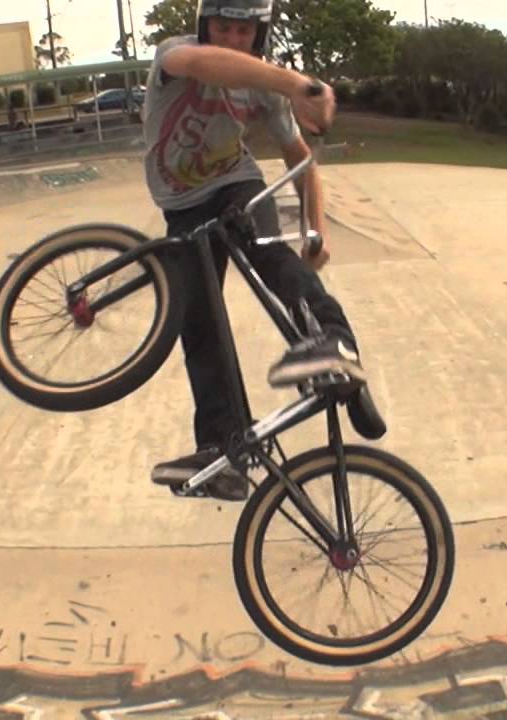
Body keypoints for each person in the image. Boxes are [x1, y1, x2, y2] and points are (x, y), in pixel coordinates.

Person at [142, 0, 365, 501]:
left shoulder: (264, 92)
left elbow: (301, 161)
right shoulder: (175, 55)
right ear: (205, 26)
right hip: (182, 208)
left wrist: (316, 228)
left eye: (244, 32)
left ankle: (332, 340)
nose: (232, 39)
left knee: (268, 251)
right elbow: (205, 63)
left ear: (258, 34)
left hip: (235, 187)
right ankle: (226, 453)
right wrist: (295, 83)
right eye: (222, 27)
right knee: (197, 322)